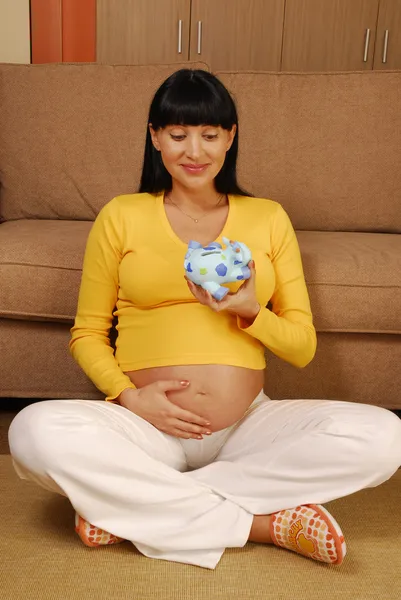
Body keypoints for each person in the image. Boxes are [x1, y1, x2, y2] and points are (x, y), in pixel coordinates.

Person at [8, 69, 401, 570]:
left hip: (248, 428)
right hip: (144, 427)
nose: (194, 151)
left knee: (385, 436)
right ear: (154, 137)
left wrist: (250, 312)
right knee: (32, 431)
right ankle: (261, 525)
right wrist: (129, 397)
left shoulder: (268, 217)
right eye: (178, 135)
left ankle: (131, 506)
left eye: (210, 135)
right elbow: (87, 334)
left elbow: (302, 347)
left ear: (230, 137)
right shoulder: (122, 215)